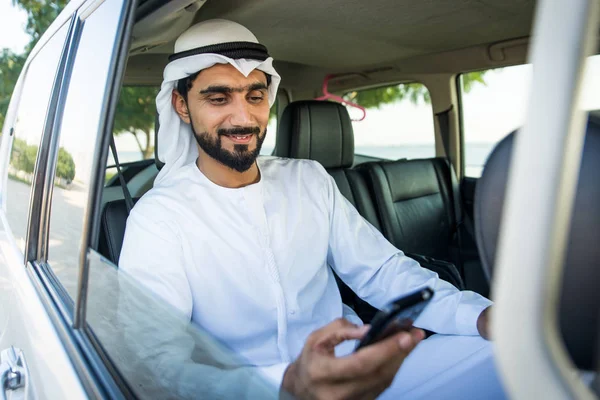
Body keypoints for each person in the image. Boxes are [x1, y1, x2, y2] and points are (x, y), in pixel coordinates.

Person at [119, 19, 504, 399]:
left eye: (255, 96)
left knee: (511, 354)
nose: (243, 118)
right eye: (219, 98)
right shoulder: (159, 218)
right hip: (247, 390)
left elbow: (382, 271)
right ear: (181, 105)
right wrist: (285, 384)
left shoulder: (309, 180)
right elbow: (156, 362)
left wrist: (478, 315)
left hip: (352, 364)